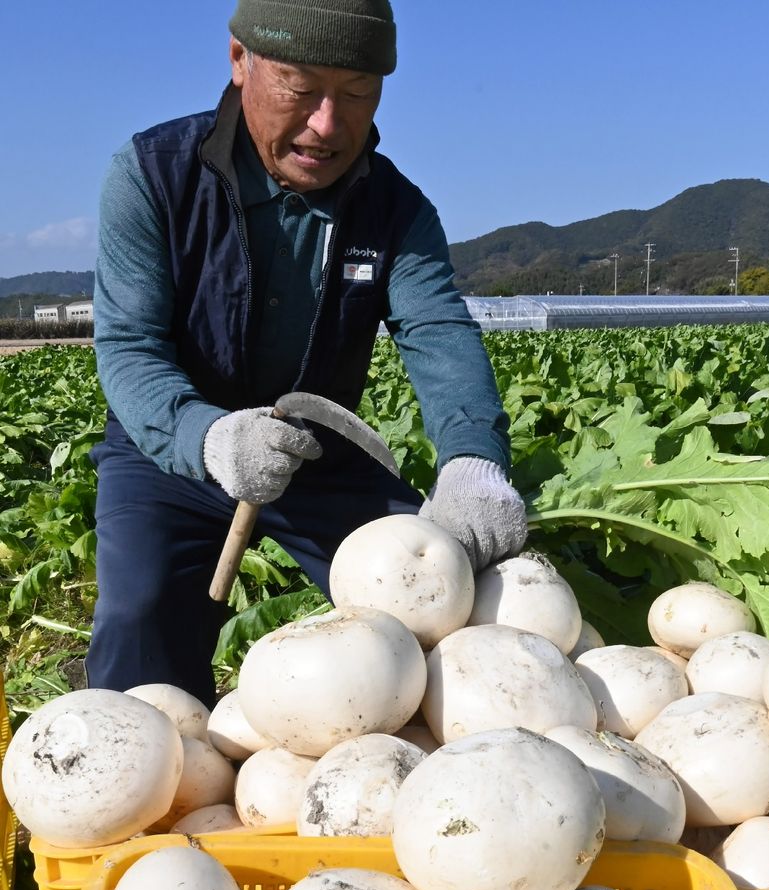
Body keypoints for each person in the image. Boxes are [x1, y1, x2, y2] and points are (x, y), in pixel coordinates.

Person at [86, 0, 527, 709]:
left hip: (313, 454)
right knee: (141, 632)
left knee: (438, 604)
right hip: (168, 448)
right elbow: (130, 347)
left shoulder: (396, 210)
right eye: (301, 88)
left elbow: (437, 328)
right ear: (240, 62)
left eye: (356, 94)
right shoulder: (153, 176)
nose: (328, 125)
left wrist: (473, 459)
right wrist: (208, 436)